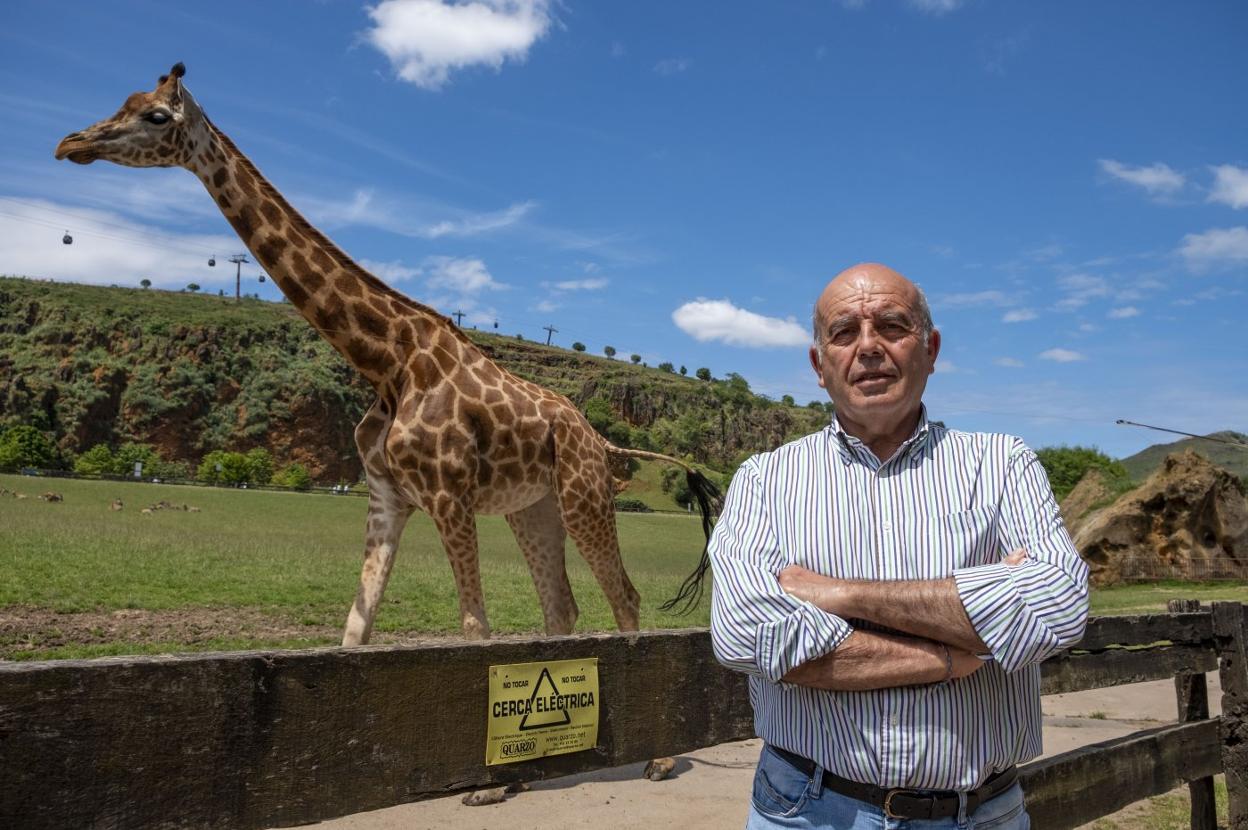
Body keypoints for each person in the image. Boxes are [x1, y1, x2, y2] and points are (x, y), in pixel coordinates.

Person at [708, 262, 1089, 829]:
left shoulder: (1002, 463)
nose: (868, 348)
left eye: (892, 326)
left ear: (931, 350)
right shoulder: (765, 479)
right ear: (819, 364)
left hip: (979, 813)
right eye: (844, 332)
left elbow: (1056, 608)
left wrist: (836, 595)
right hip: (809, 808)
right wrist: (954, 654)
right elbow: (747, 636)